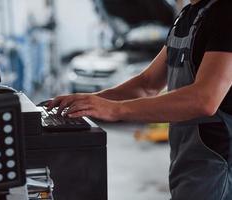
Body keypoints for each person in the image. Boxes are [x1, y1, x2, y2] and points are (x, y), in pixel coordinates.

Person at [47, 0, 232, 199]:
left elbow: (205, 99)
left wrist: (114, 109)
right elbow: (147, 84)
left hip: (219, 165)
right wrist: (91, 100)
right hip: (188, 165)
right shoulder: (187, 16)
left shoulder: (225, 14)